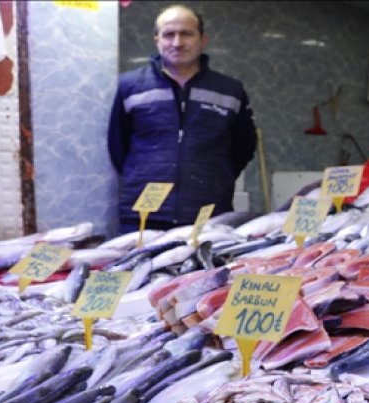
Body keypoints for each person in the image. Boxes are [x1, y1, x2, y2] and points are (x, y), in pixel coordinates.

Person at [108, 4, 257, 232]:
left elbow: (243, 147)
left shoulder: (230, 90)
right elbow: (118, 146)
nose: (177, 43)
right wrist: (146, 172)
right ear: (156, 39)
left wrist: (214, 175)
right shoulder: (130, 86)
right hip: (142, 215)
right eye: (169, 34)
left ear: (202, 39)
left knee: (208, 269)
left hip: (209, 214)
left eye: (186, 33)